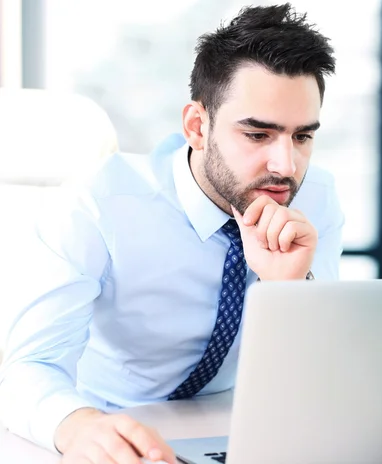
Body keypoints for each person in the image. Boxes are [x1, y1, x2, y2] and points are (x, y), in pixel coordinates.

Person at [0, 3, 344, 463]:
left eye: (302, 137)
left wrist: (292, 290)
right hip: (116, 423)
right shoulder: (97, 205)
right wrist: (80, 428)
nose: (286, 166)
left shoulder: (316, 197)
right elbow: (28, 367)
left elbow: (325, 379)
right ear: (197, 126)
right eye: (259, 135)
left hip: (238, 426)